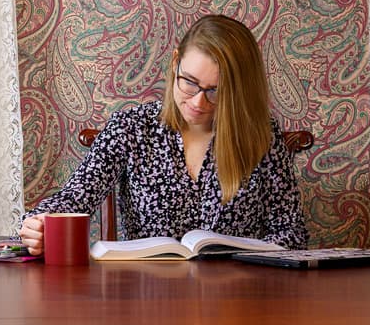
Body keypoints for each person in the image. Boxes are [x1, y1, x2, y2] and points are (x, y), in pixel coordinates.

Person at [19, 13, 308, 254]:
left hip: (237, 301)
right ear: (175, 64)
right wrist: (37, 223)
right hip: (146, 300)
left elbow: (291, 233)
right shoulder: (131, 127)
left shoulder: (261, 134)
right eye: (190, 82)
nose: (198, 102)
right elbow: (76, 196)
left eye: (216, 91)